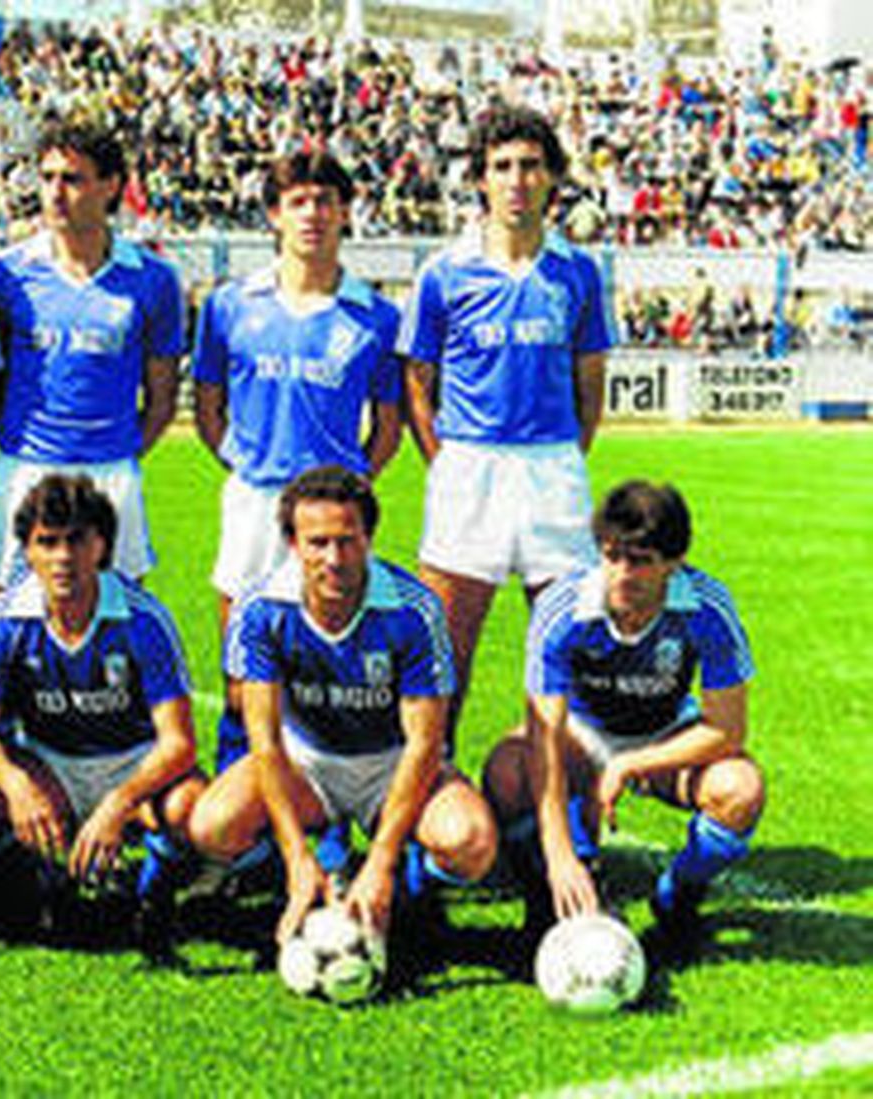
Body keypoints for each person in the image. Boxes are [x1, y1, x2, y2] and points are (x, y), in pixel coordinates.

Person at [188, 467, 497, 965]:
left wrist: (381, 861)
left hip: (391, 764)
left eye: (348, 541)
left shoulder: (414, 611)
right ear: (292, 543)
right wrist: (295, 856)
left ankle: (407, 890)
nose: (334, 559)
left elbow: (424, 744)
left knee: (471, 842)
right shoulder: (260, 608)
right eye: (318, 543)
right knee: (213, 826)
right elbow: (263, 741)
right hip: (305, 766)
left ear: (369, 538)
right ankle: (297, 877)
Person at [398, 103, 612, 737]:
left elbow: (590, 379)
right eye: (502, 167)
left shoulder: (577, 271)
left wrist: (569, 453)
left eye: (531, 166)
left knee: (565, 643)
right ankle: (429, 783)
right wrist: (448, 460)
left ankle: (559, 799)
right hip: (470, 465)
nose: (517, 179)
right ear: (481, 180)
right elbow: (418, 381)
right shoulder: (444, 272)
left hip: (553, 467)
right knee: (446, 648)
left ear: (552, 179)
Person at [483, 481, 763, 956]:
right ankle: (563, 892)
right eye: (612, 556)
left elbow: (726, 730)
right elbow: (544, 735)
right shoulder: (563, 607)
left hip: (666, 731)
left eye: (641, 560)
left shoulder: (707, 607)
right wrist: (559, 854)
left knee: (739, 790)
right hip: (582, 732)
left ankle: (678, 897)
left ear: (673, 563)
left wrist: (629, 766)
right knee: (506, 774)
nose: (622, 574)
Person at [193, 150, 403, 780]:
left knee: (330, 654)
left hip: (332, 513)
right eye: (297, 201)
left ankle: (335, 800)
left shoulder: (376, 316)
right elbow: (209, 410)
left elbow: (387, 428)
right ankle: (239, 803)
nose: (312, 214)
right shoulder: (230, 305)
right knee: (243, 660)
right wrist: (248, 465)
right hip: (255, 503)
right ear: (274, 216)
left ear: (346, 213)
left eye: (325, 201)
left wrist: (346, 489)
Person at [0, 474, 204, 962]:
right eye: (48, 542)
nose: (62, 557)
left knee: (192, 806)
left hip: (131, 762)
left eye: (76, 541)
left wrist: (119, 802)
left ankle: (152, 896)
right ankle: (34, 881)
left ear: (101, 546)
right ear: (26, 551)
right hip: (49, 764)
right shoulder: (1, 622)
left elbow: (179, 743)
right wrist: (18, 786)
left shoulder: (143, 619)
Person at [0, 122, 186, 601]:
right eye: (46, 178)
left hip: (111, 472)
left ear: (111, 185)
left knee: (118, 611)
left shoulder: (153, 279)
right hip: (24, 468)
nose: (54, 193)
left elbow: (162, 397)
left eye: (72, 179)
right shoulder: (3, 275)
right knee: (0, 611)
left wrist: (118, 448)